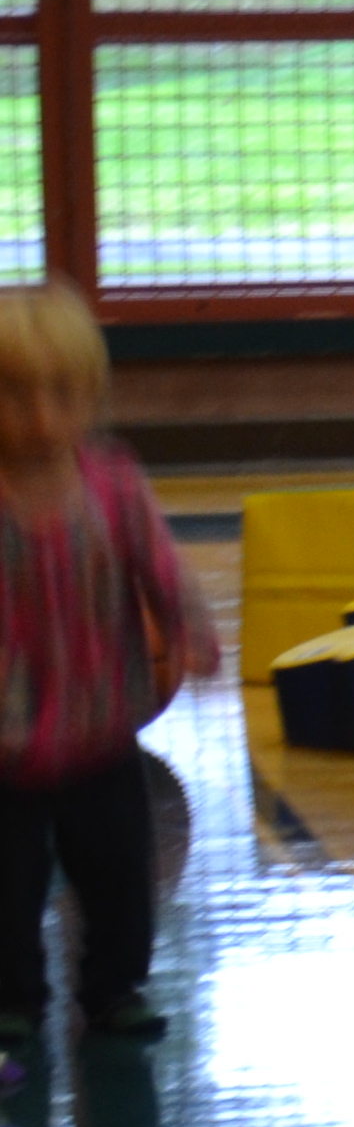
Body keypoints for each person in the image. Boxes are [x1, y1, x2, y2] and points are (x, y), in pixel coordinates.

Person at [0, 283, 214, 1048]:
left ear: (91, 396)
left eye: (61, 395)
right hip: (7, 740)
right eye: (13, 396)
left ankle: (115, 987)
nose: (39, 417)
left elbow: (157, 561)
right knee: (8, 883)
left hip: (98, 727)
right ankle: (14, 997)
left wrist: (189, 620)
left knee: (121, 872)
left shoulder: (112, 481)